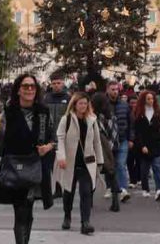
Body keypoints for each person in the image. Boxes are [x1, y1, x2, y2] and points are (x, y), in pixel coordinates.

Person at [0, 74, 55, 244]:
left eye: (32, 86)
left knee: (28, 210)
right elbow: (0, 140)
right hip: (15, 168)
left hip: (35, 167)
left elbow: (53, 138)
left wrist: (47, 147)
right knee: (20, 210)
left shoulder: (43, 112)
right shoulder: (9, 111)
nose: (29, 89)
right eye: (25, 86)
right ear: (18, 90)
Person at [56, 92, 103, 235]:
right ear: (75, 104)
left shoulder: (92, 120)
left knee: (86, 192)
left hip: (87, 162)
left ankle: (85, 222)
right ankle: (67, 216)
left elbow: (97, 141)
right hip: (70, 162)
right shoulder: (67, 119)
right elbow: (60, 139)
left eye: (85, 103)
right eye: (80, 103)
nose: (83, 106)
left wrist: (100, 160)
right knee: (68, 192)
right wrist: (61, 157)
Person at [132, 90, 160, 201]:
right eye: (148, 99)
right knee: (144, 170)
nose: (151, 101)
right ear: (144, 100)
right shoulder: (139, 114)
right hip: (144, 145)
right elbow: (137, 132)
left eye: (152, 98)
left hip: (156, 144)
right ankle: (145, 189)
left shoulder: (158, 113)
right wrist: (141, 145)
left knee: (157, 167)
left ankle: (159, 189)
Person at [104, 81, 131, 202]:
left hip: (122, 138)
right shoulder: (103, 105)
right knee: (109, 165)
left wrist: (131, 138)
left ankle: (123, 189)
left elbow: (131, 122)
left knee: (120, 164)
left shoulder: (124, 105)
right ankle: (110, 187)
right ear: (108, 90)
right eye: (112, 89)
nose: (115, 91)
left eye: (116, 89)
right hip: (108, 139)